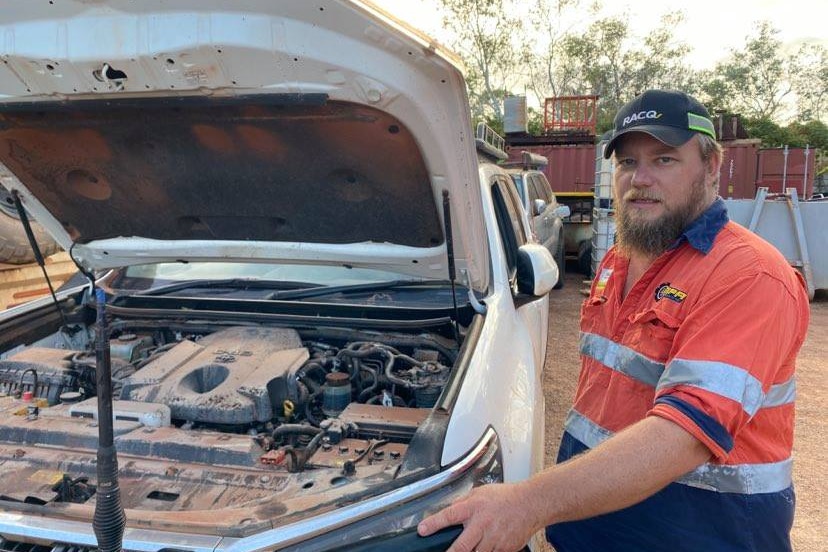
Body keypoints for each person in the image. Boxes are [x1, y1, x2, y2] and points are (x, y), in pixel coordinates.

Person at [417, 89, 810, 552]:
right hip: (596, 527)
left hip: (702, 535)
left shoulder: (749, 276)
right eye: (626, 163)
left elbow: (684, 434)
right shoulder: (619, 260)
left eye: (664, 160)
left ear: (711, 167)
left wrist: (529, 503)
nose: (639, 179)